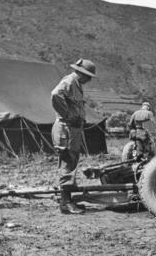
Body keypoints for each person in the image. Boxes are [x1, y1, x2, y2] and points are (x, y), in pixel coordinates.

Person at [51, 58, 97, 214]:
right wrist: (67, 114)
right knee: (67, 163)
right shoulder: (70, 81)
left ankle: (68, 200)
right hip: (66, 129)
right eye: (88, 76)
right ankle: (66, 203)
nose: (89, 79)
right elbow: (55, 94)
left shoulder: (76, 84)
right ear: (82, 73)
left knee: (71, 161)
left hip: (72, 129)